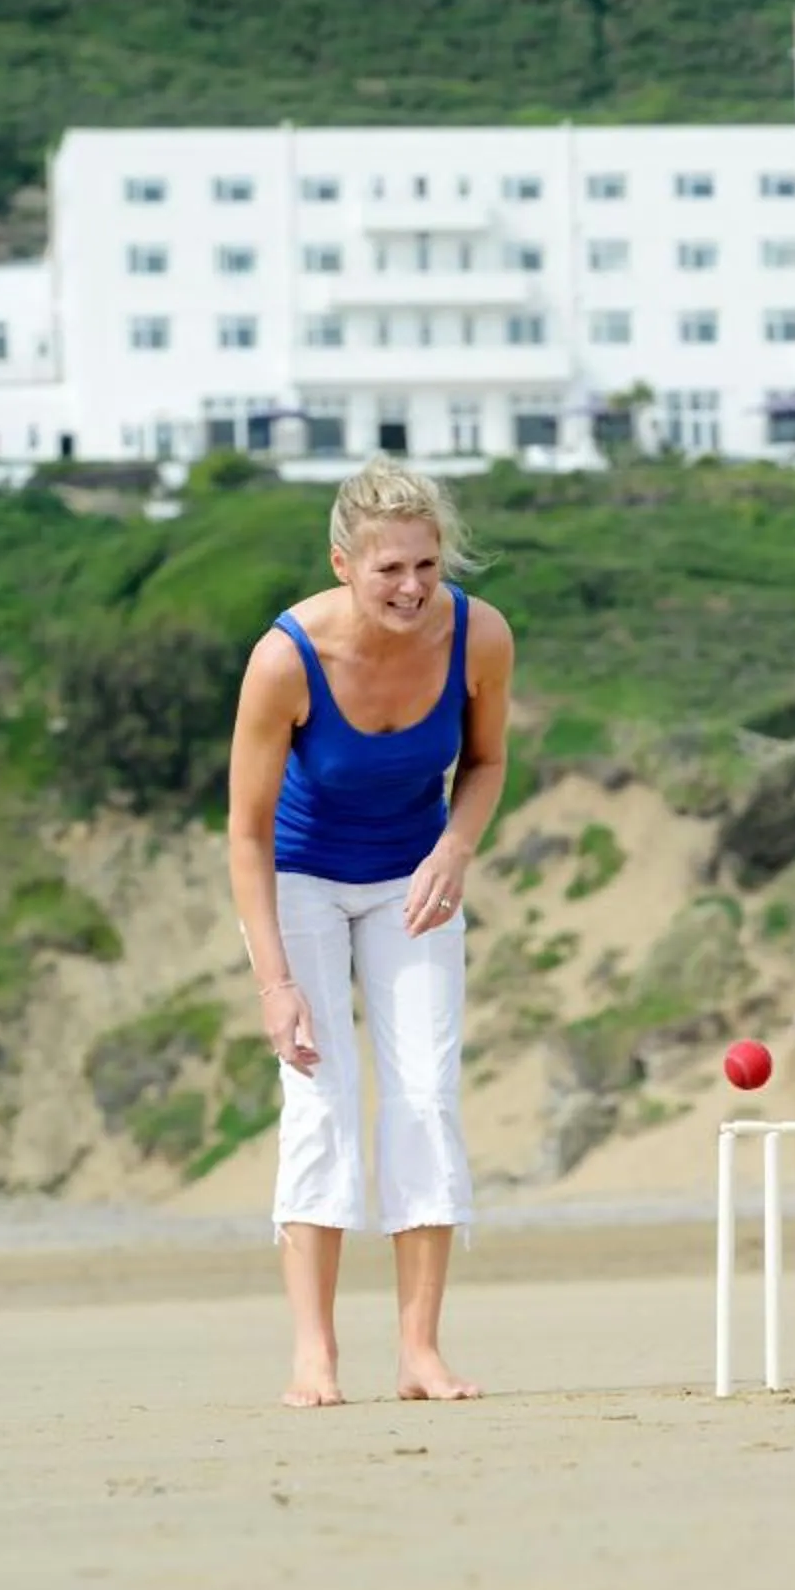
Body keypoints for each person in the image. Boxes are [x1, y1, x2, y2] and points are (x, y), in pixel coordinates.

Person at [226, 457, 516, 1407]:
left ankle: (419, 1352)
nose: (412, 587)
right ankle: (314, 1352)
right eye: (389, 568)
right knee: (320, 1097)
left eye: (427, 566)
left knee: (426, 1098)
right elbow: (246, 834)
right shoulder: (285, 658)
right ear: (342, 562)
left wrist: (457, 850)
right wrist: (276, 986)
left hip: (416, 879)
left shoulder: (479, 637)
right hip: (304, 876)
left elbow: (485, 762)